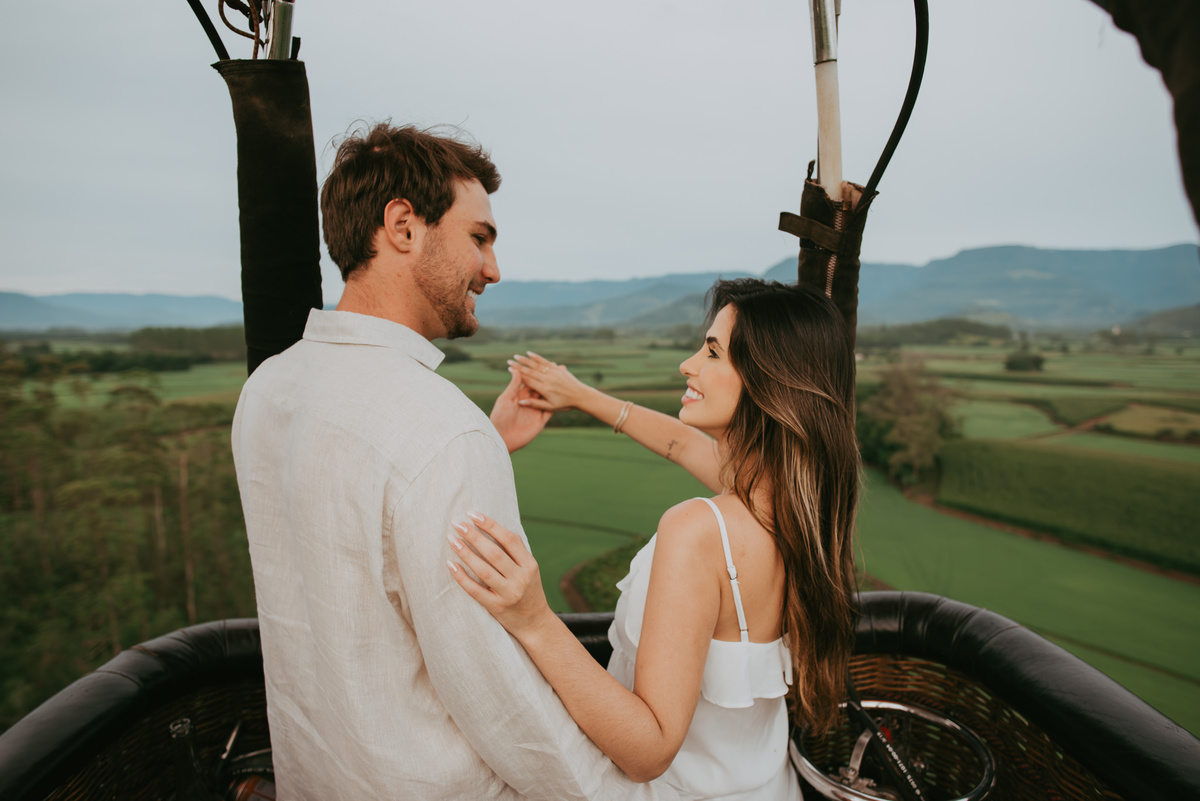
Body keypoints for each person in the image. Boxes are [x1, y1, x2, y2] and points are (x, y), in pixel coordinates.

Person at [231, 122, 672, 800]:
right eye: (480, 237)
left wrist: (485, 445)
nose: (493, 269)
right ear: (402, 226)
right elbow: (499, 697)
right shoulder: (442, 432)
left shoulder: (268, 391)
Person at [448, 279, 861, 800]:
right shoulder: (801, 507)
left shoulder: (699, 530)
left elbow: (649, 750)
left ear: (771, 382)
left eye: (712, 352)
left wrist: (535, 620)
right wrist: (579, 397)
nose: (689, 364)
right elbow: (680, 443)